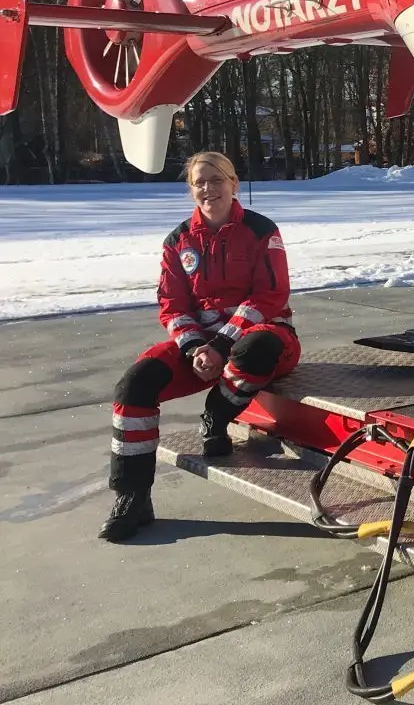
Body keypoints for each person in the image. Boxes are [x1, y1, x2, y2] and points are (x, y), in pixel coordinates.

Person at [100, 151, 300, 542]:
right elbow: (172, 305)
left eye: (216, 179)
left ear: (233, 183)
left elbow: (269, 296)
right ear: (191, 190)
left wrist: (222, 344)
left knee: (254, 349)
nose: (208, 188)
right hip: (203, 348)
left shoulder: (262, 231)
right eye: (199, 182)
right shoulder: (178, 241)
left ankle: (217, 414)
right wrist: (195, 348)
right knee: (135, 384)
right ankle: (132, 496)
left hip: (266, 337)